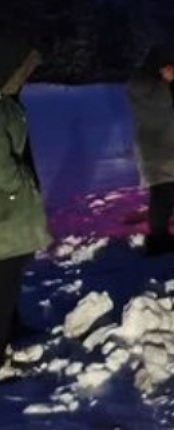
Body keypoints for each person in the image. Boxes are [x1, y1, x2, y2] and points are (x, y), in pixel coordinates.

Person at [0, 37, 53, 374]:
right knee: (3, 285)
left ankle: (10, 329)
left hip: (11, 212)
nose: (26, 77)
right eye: (22, 70)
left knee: (9, 281)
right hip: (6, 212)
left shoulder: (8, 102)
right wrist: (23, 184)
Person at [126, 46, 174, 255]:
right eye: (168, 68)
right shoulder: (149, 87)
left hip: (165, 149)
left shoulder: (154, 86)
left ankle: (161, 234)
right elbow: (165, 105)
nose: (172, 72)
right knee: (162, 194)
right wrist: (170, 84)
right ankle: (158, 238)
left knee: (166, 193)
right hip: (158, 150)